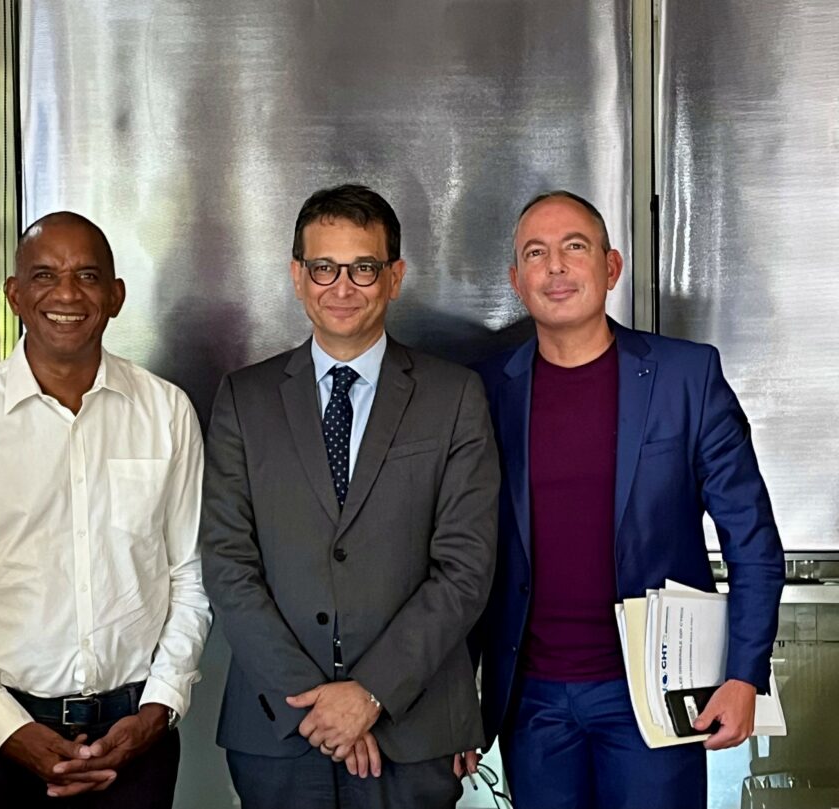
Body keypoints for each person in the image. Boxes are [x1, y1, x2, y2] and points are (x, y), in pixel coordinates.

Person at [470, 190, 785, 809]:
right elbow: (457, 552)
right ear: (516, 281)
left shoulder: (686, 377)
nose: (555, 267)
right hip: (531, 701)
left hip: (655, 694)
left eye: (574, 247)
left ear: (611, 267)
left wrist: (744, 673)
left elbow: (751, 537)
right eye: (535, 253)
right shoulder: (484, 391)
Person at [199, 184, 500, 808]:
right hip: (279, 728)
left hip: (411, 730)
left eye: (363, 268)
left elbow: (465, 568)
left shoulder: (454, 396)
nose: (342, 287)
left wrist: (370, 694)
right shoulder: (244, 399)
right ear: (297, 276)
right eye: (323, 268)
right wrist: (317, 708)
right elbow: (228, 564)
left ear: (394, 277)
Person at [0, 212, 211, 807]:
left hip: (136, 743)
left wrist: (160, 707)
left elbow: (188, 577)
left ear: (116, 296)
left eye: (87, 276)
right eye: (44, 275)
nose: (66, 294)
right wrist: (8, 730)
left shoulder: (167, 413)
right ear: (15, 295)